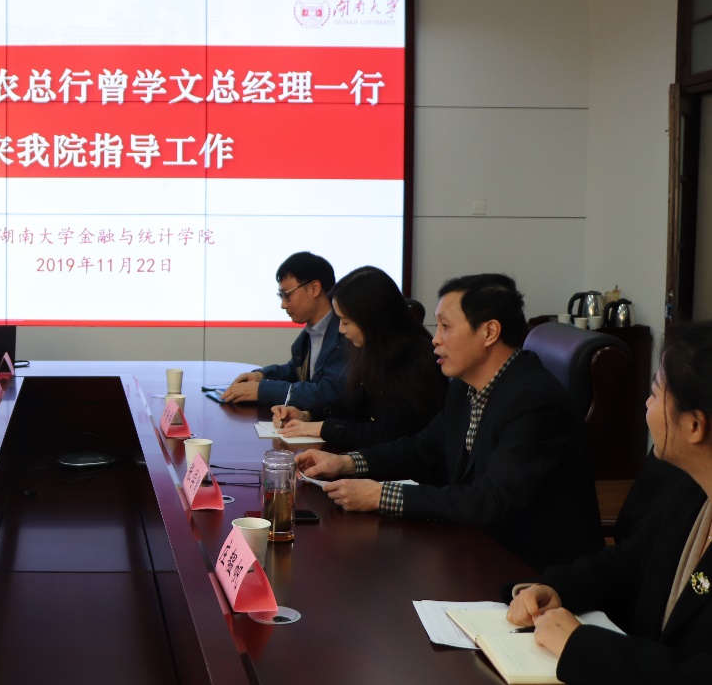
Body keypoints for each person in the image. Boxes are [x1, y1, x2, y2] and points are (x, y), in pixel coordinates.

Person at [296, 273, 601, 572]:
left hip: (534, 572)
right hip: (476, 547)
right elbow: (422, 449)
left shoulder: (533, 400)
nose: (436, 339)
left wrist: (380, 495)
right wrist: (346, 463)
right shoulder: (465, 386)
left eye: (446, 327)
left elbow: (492, 499)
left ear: (489, 332)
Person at [506, 323, 712, 683]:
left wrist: (580, 646)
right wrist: (556, 589)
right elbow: (629, 567)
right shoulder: (689, 490)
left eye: (655, 393)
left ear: (695, 426)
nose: (646, 404)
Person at [273, 266, 446, 450]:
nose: (341, 329)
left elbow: (387, 434)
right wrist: (308, 415)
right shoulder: (376, 350)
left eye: (346, 322)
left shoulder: (416, 360)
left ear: (372, 319)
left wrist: (323, 428)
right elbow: (356, 401)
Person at [222, 252, 348, 410]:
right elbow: (296, 371)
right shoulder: (309, 335)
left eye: (287, 295)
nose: (283, 305)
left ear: (314, 288)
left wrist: (264, 390)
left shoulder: (345, 334)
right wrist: (262, 376)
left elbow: (327, 393)